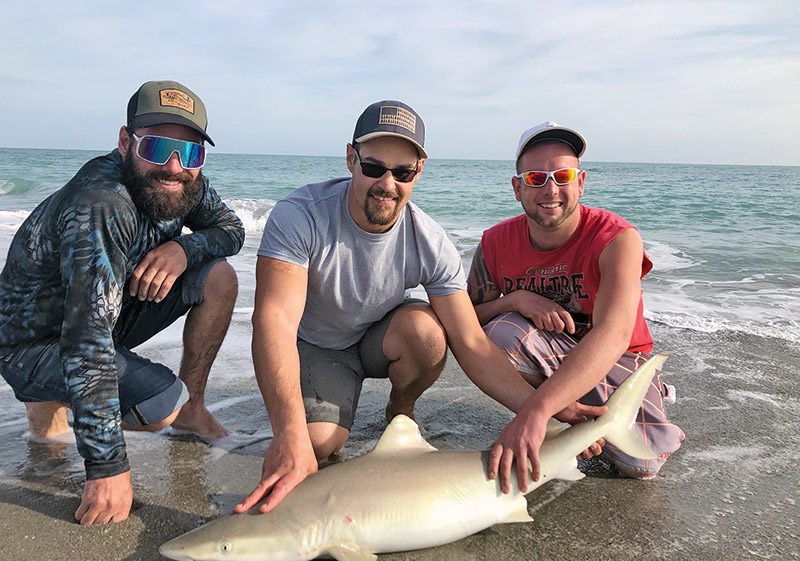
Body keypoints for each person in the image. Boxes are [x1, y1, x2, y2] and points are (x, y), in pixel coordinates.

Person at [238, 102, 606, 514]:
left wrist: (547, 413)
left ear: (419, 171)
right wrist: (288, 436)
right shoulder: (300, 216)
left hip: (381, 339)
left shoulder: (429, 239)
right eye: (374, 167)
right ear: (350, 158)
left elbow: (471, 342)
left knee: (430, 333)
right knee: (318, 445)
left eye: (403, 172)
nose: (387, 184)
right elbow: (274, 320)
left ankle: (401, 410)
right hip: (321, 345)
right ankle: (322, 412)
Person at [0, 80, 245, 525]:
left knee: (219, 275)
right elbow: (85, 335)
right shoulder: (103, 202)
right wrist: (107, 465)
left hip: (100, 312)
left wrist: (184, 250)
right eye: (157, 147)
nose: (174, 166)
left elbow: (232, 229)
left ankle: (192, 412)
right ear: (125, 142)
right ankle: (53, 400)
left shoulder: (185, 185)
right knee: (158, 405)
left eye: (190, 152)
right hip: (29, 342)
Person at [467, 121, 685, 481]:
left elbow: (613, 334)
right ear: (517, 189)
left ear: (580, 183)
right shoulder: (494, 242)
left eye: (562, 176)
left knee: (641, 464)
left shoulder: (616, 238)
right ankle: (557, 416)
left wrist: (536, 410)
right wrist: (516, 300)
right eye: (536, 179)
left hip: (616, 357)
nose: (550, 189)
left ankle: (650, 391)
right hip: (547, 350)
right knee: (500, 332)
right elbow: (467, 318)